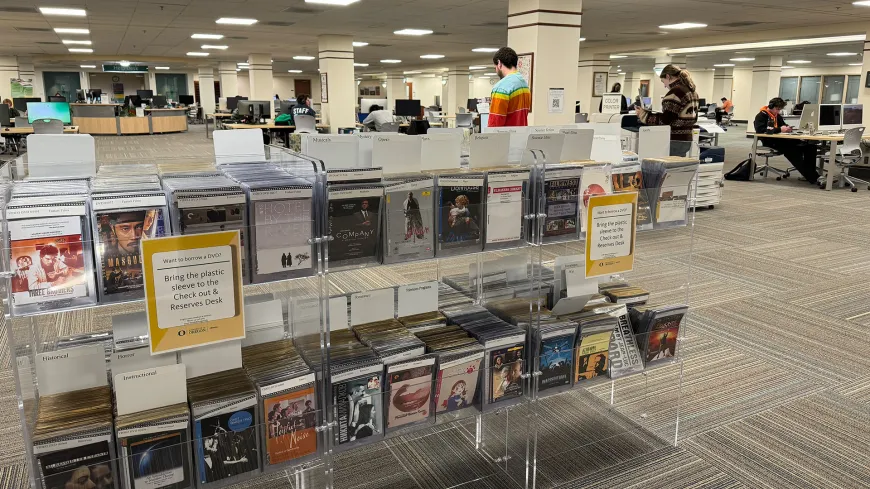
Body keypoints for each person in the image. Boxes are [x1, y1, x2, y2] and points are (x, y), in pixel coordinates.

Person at [635, 64, 699, 157]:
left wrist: (643, 115)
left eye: (663, 81)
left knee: (668, 168)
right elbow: (694, 118)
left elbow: (664, 121)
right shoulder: (693, 92)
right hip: (687, 138)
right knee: (678, 167)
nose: (664, 86)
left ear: (668, 76)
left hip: (673, 140)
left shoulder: (676, 92)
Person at [754, 97, 820, 184]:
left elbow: (783, 125)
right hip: (770, 141)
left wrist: (787, 128)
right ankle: (813, 177)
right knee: (792, 150)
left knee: (810, 146)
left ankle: (811, 174)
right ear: (770, 106)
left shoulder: (777, 116)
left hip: (782, 139)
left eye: (779, 109)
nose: (778, 111)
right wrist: (780, 130)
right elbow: (760, 130)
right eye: (777, 109)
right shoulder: (761, 116)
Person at [488, 47, 531, 127]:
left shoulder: (501, 87)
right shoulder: (524, 84)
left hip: (505, 138)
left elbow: (495, 124)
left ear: (499, 63)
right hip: (521, 137)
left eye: (495, 66)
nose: (496, 69)